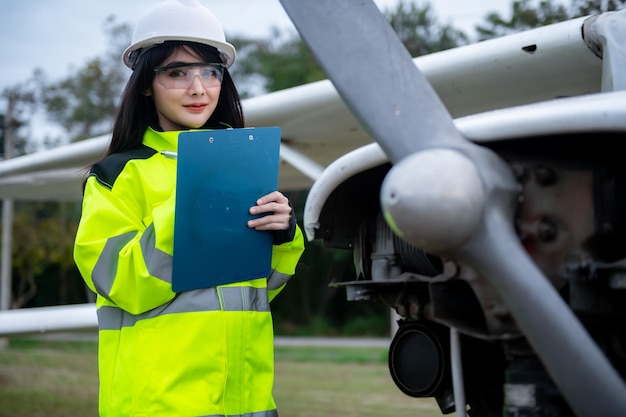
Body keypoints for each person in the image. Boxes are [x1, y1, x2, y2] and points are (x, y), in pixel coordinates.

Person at [73, 1, 305, 416]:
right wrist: (189, 211)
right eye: (178, 72)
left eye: (210, 72)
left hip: (247, 401)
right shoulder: (117, 175)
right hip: (158, 403)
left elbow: (258, 290)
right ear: (147, 83)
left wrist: (284, 236)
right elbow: (116, 280)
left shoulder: (240, 166)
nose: (198, 89)